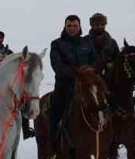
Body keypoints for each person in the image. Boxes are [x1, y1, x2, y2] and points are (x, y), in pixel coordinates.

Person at [48, 15, 97, 144]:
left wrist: (89, 73)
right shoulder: (57, 44)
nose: (72, 28)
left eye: (75, 26)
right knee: (56, 106)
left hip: (87, 84)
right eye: (69, 26)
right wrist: (75, 75)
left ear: (80, 27)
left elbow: (94, 60)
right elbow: (57, 64)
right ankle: (53, 138)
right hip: (65, 84)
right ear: (65, 27)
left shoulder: (87, 42)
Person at [86, 12, 120, 77]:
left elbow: (118, 59)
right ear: (92, 25)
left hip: (110, 79)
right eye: (97, 24)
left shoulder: (112, 42)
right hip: (90, 77)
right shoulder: (85, 41)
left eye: (102, 24)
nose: (100, 27)